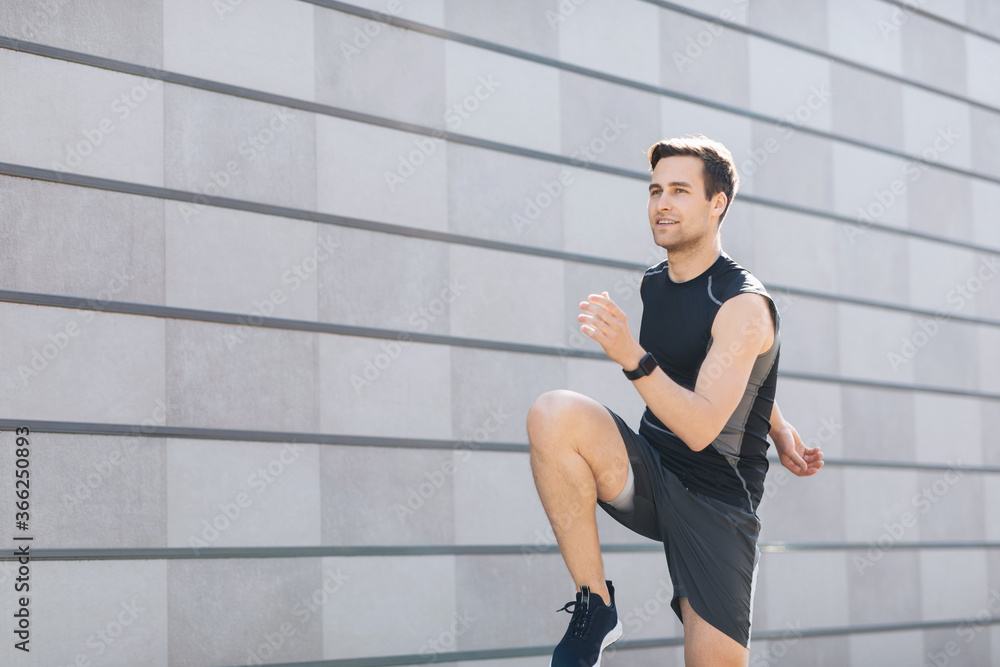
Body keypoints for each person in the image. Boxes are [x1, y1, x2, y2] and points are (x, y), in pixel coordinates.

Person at [527, 136, 824, 667]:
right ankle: (596, 605)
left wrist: (630, 355)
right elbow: (707, 367)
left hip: (718, 506)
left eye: (680, 191)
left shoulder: (744, 305)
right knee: (553, 413)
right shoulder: (655, 284)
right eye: (656, 190)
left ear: (717, 204)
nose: (662, 203)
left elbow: (703, 426)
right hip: (654, 472)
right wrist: (778, 426)